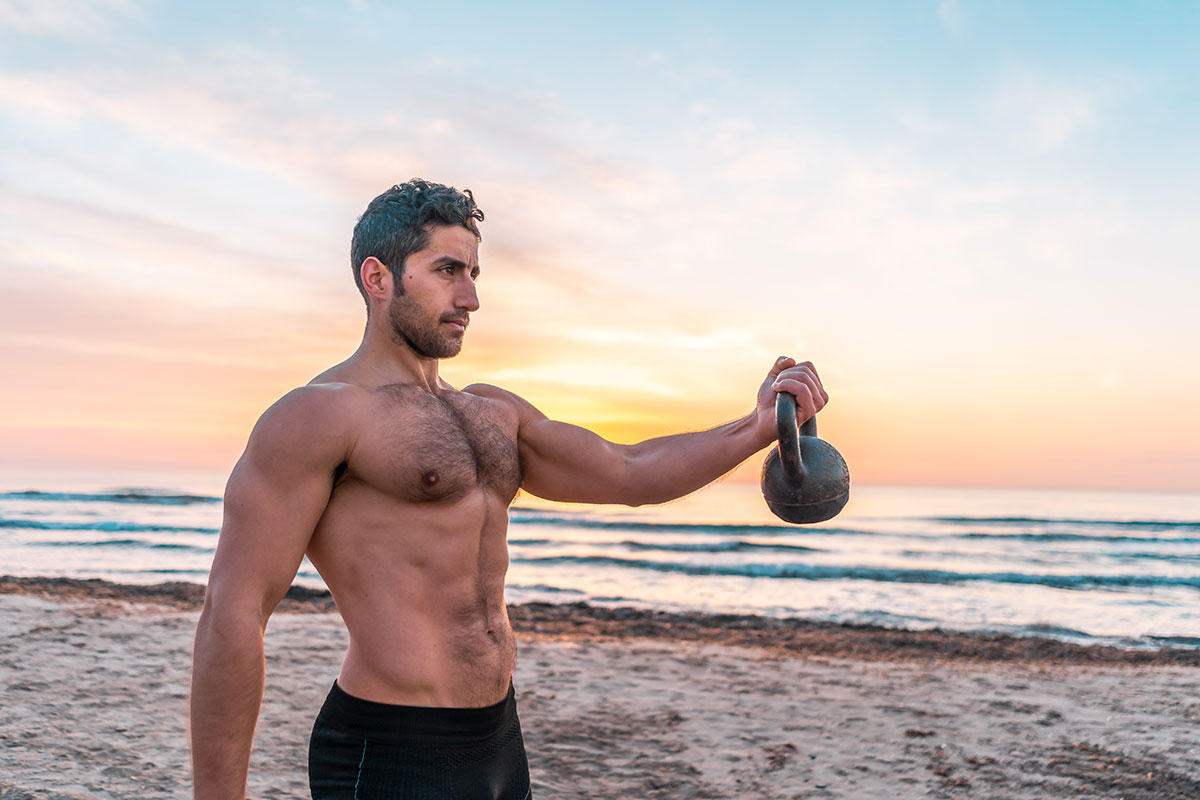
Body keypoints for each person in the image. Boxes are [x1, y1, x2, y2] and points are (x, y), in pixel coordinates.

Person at [189, 179, 828, 799]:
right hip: (390, 747)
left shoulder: (489, 412)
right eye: (446, 270)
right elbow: (234, 610)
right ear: (378, 278)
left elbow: (628, 470)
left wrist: (757, 426)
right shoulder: (317, 416)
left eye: (473, 273)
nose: (470, 297)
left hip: (497, 737)